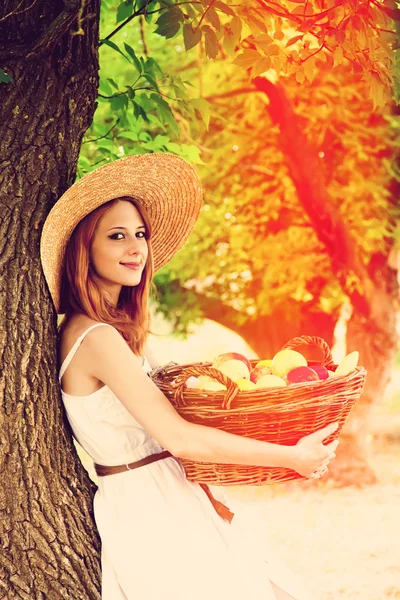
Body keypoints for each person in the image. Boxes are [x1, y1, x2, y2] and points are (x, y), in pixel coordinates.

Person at [40, 153, 339, 600]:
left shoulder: (116, 331)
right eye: (117, 236)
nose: (136, 247)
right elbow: (179, 437)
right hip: (151, 508)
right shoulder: (95, 336)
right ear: (86, 249)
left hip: (173, 492)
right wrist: (289, 456)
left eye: (140, 234)